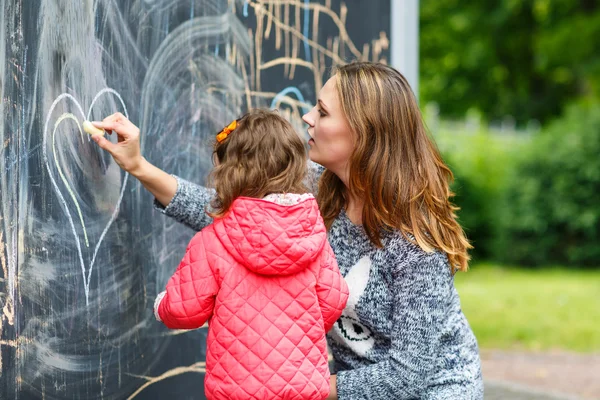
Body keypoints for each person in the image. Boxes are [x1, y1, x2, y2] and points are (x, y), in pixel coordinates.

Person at [92, 62, 483, 399]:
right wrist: (139, 166)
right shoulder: (315, 190)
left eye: (323, 112)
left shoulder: (416, 246)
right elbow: (229, 218)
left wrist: (289, 387)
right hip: (330, 387)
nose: (308, 118)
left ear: (363, 133)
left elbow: (406, 377)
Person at [124, 109, 349, 399]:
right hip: (304, 390)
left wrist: (161, 305)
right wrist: (297, 329)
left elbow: (183, 310)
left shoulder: (213, 240)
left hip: (236, 391)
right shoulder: (313, 235)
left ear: (227, 174)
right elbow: (334, 298)